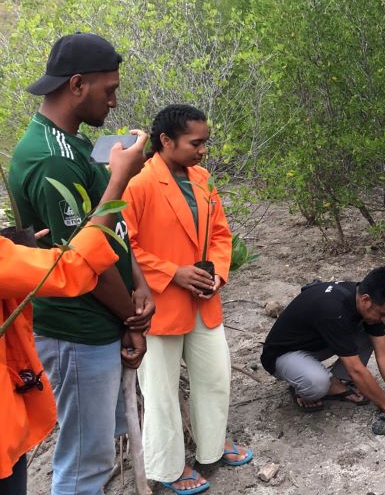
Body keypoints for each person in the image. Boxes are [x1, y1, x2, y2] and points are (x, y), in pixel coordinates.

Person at [8, 33, 155, 495]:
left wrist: (139, 280)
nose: (114, 102)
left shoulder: (73, 143)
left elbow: (110, 225)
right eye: (108, 90)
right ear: (76, 85)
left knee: (96, 452)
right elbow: (81, 262)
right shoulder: (52, 160)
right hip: (76, 329)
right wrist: (132, 318)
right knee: (83, 464)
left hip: (99, 319)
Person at [122, 104, 250, 495]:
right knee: (160, 391)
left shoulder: (202, 179)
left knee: (215, 377)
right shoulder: (138, 183)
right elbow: (125, 246)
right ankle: (168, 468)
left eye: (204, 142)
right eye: (196, 143)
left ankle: (212, 448)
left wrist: (217, 274)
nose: (203, 150)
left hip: (204, 301)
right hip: (159, 305)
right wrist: (172, 272)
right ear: (166, 140)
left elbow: (221, 234)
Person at [261, 267, 385, 425]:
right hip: (282, 355)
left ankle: (336, 379)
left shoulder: (364, 297)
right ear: (365, 300)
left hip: (316, 343)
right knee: (317, 384)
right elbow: (356, 370)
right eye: (383, 313)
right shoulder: (334, 309)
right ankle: (312, 385)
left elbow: (383, 352)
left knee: (368, 331)